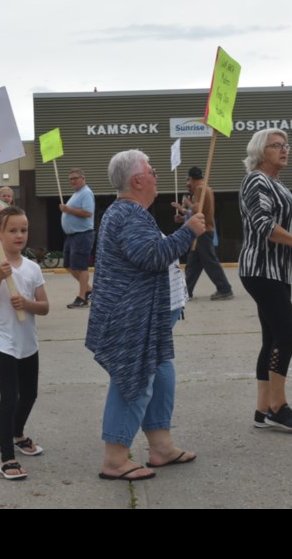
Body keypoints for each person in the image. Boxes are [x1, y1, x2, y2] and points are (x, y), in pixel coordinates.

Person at [87, 150, 204, 481]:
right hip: (130, 314)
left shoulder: (129, 213)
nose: (156, 176)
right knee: (133, 378)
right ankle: (115, 459)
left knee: (161, 372)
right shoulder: (129, 214)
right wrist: (189, 232)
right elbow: (151, 256)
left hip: (144, 312)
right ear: (137, 180)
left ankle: (161, 447)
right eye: (151, 171)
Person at [238, 129, 292, 432]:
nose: (284, 150)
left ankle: (263, 410)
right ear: (261, 151)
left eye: (286, 145)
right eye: (276, 146)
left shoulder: (275, 183)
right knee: (287, 333)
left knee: (272, 337)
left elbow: (281, 227)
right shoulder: (257, 180)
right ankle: (278, 406)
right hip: (262, 270)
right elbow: (264, 225)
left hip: (277, 270)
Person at [0, 206, 50, 480]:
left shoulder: (32, 267)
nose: (19, 235)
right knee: (9, 396)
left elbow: (44, 307)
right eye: (12, 230)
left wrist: (27, 303)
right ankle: (7, 457)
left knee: (29, 393)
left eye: (24, 230)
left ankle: (17, 433)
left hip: (27, 341)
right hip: (2, 340)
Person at [173, 166, 233, 300]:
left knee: (210, 262)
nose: (188, 184)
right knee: (193, 264)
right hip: (204, 230)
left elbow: (196, 209)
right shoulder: (207, 188)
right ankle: (186, 291)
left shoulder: (200, 189)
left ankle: (225, 289)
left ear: (192, 179)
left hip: (203, 231)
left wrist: (185, 203)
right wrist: (184, 216)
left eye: (188, 180)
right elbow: (201, 211)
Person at [59, 168, 94, 308]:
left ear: (83, 178)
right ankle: (89, 290)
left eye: (75, 178)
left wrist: (68, 210)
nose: (72, 181)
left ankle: (82, 298)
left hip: (82, 234)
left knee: (81, 266)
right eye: (70, 179)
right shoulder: (77, 194)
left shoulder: (86, 193)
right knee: (68, 265)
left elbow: (87, 212)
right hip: (72, 236)